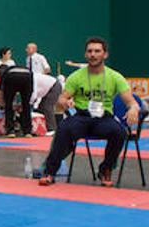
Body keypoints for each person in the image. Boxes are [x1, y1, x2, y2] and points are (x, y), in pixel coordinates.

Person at [37, 37, 139, 187]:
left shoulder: (115, 77)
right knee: (64, 128)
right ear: (85, 55)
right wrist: (64, 102)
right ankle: (50, 171)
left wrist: (133, 109)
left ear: (105, 55)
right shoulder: (76, 77)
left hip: (104, 119)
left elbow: (131, 102)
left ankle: (105, 169)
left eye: (97, 51)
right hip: (82, 117)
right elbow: (61, 99)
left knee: (119, 132)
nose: (93, 54)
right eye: (90, 51)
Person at [0, 56, 34, 136]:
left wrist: (2, 101)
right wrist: (26, 100)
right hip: (27, 76)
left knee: (9, 104)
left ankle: (10, 130)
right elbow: (31, 88)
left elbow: (0, 90)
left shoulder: (5, 72)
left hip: (12, 77)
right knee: (26, 105)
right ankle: (27, 131)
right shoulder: (24, 69)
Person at [31, 69, 62, 135]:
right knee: (40, 108)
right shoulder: (32, 77)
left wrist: (29, 103)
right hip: (47, 90)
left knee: (47, 106)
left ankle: (52, 129)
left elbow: (34, 94)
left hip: (55, 86)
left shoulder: (34, 78)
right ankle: (39, 128)